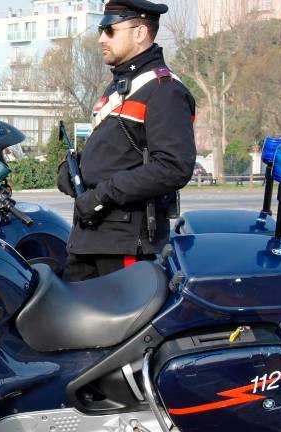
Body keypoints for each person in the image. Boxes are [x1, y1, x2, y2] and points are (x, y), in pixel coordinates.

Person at [56, 0, 196, 281]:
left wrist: (102, 194)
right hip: (89, 239)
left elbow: (173, 167)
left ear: (140, 32)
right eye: (101, 29)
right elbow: (116, 155)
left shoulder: (163, 91)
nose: (101, 39)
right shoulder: (121, 87)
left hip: (126, 244)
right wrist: (74, 170)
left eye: (109, 30)